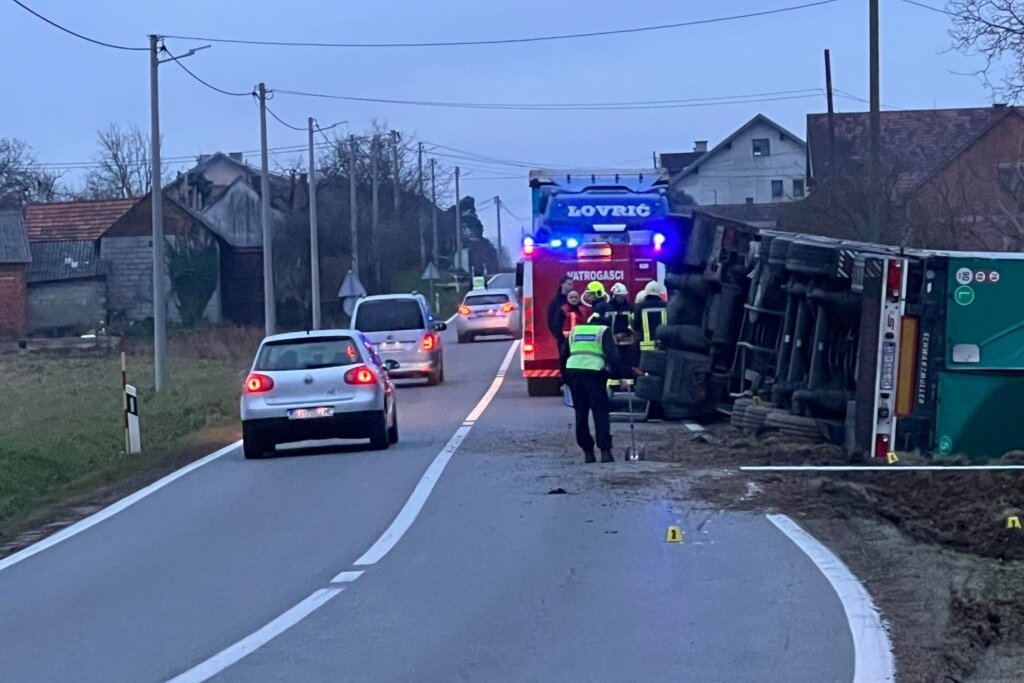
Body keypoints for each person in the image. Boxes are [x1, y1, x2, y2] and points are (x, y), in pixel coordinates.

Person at [565, 312, 621, 463]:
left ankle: (588, 452)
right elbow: (613, 356)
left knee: (581, 413)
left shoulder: (575, 331)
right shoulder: (604, 331)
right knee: (600, 412)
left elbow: (564, 355)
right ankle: (605, 451)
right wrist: (615, 374)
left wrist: (566, 379)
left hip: (575, 374)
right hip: (595, 375)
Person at [554, 290, 589, 371]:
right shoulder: (562, 310)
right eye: (571, 297)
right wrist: (562, 340)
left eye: (576, 297)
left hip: (581, 343)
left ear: (579, 298)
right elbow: (557, 326)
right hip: (565, 342)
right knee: (565, 362)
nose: (574, 299)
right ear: (567, 299)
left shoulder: (583, 310)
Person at [606, 283, 637, 372]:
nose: (621, 299)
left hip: (627, 343)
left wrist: (626, 332)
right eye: (619, 296)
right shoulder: (608, 308)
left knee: (626, 367)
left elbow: (633, 323)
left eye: (623, 296)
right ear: (614, 296)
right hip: (612, 343)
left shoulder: (629, 307)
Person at [634, 281, 669, 352]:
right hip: (663, 345)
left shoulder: (641, 307)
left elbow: (636, 324)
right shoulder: (666, 306)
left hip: (646, 347)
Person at [546, 275, 574, 345]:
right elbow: (551, 320)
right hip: (562, 338)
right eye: (569, 284)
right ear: (562, 284)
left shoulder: (574, 300)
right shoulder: (555, 301)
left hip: (574, 338)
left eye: (572, 284)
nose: (571, 286)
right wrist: (559, 336)